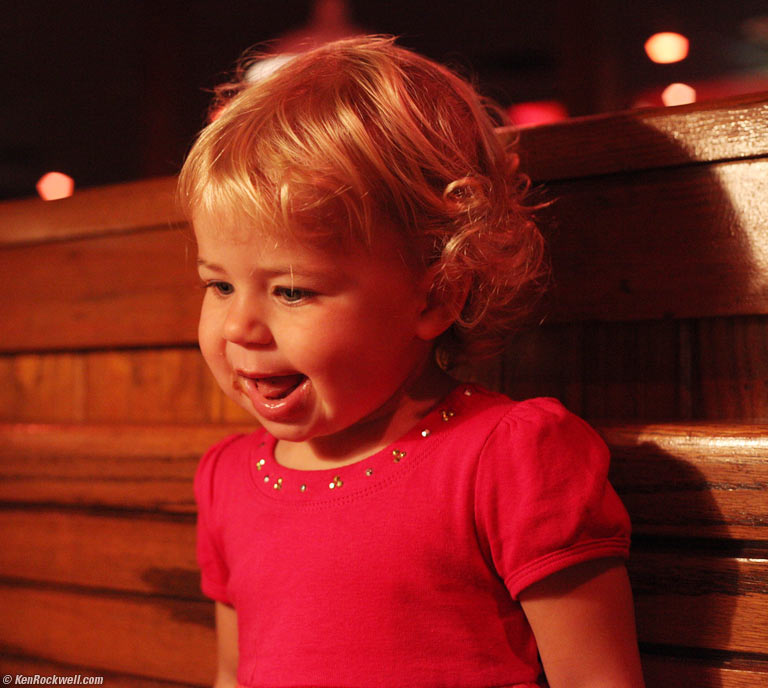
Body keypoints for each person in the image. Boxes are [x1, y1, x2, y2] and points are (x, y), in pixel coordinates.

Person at [178, 35, 645, 688]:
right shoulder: (228, 477)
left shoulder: (506, 459)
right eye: (218, 284)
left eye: (291, 290)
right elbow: (235, 673)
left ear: (437, 295)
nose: (238, 326)